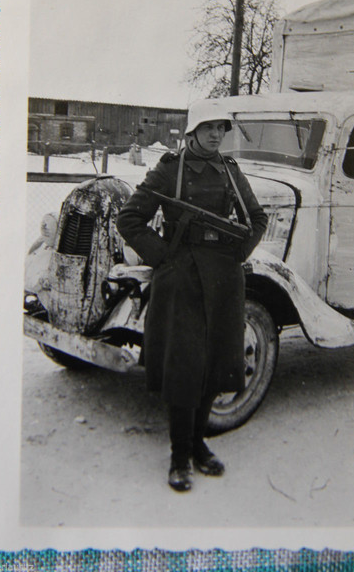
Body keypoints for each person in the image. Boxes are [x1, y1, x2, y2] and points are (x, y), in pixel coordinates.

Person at [116, 99, 268, 492]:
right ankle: (179, 456)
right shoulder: (170, 169)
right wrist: (164, 257)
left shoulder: (230, 170)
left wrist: (238, 254)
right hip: (182, 280)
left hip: (223, 280)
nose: (216, 135)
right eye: (208, 128)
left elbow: (258, 218)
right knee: (184, 368)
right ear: (192, 133)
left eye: (220, 128)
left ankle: (199, 445)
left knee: (215, 366)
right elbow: (129, 219)